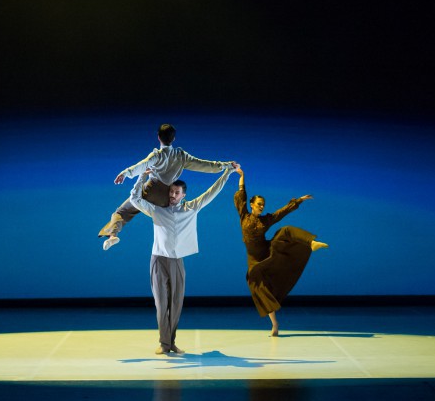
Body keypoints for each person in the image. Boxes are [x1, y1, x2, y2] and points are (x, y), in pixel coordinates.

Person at [130, 164, 238, 355]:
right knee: (161, 305)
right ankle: (164, 343)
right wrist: (142, 178)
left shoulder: (191, 208)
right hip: (158, 260)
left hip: (177, 261)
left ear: (183, 195)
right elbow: (134, 199)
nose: (172, 195)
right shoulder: (157, 210)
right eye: (171, 191)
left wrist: (227, 172)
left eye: (176, 192)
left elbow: (212, 192)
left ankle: (171, 342)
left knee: (176, 304)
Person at [98, 123, 236, 250]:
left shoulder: (157, 155)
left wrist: (126, 173)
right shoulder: (182, 156)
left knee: (122, 212)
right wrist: (226, 165)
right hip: (166, 197)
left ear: (158, 137)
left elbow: (142, 165)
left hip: (150, 190)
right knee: (165, 220)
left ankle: (113, 235)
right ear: (174, 139)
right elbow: (205, 165)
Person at [233, 167, 328, 336]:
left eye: (263, 204)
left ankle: (312, 242)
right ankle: (275, 325)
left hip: (267, 251)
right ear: (252, 205)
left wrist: (299, 201)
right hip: (254, 259)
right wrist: (242, 176)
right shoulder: (244, 215)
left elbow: (281, 212)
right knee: (258, 287)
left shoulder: (266, 220)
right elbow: (242, 195)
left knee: (285, 230)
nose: (262, 206)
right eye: (259, 204)